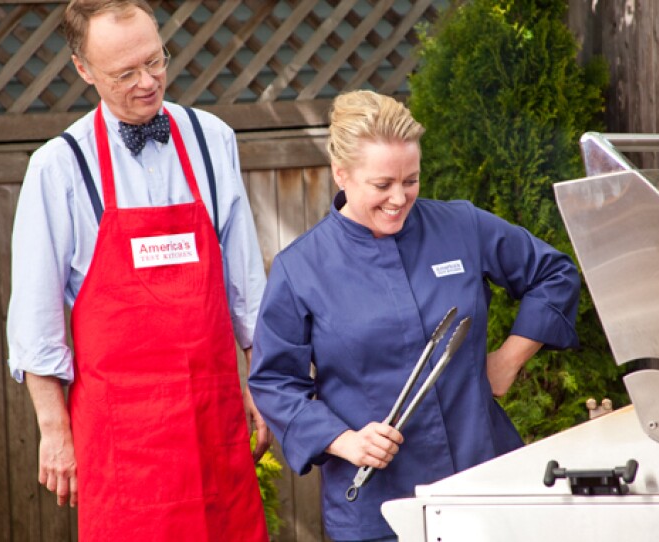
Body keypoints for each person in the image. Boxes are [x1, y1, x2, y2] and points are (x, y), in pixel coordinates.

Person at [248, 90, 581, 541]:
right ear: (341, 173)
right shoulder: (300, 269)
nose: (399, 198)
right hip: (377, 509)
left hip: (482, 481)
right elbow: (275, 383)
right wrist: (343, 440)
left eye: (411, 180)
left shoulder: (461, 226)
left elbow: (554, 274)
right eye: (382, 185)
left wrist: (507, 360)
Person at [6, 1, 269, 540]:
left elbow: (246, 285)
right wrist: (54, 430)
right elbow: (35, 320)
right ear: (83, 70)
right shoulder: (58, 167)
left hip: (212, 418)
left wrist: (265, 382)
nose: (148, 82)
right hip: (122, 439)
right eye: (125, 73)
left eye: (156, 61)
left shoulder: (212, 138)